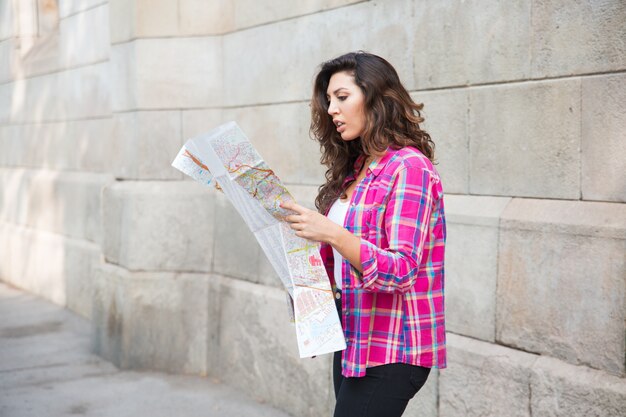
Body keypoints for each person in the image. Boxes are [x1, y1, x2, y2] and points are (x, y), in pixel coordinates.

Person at [281, 51, 446, 417]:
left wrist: (331, 232)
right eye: (328, 101)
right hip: (352, 335)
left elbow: (402, 268)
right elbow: (338, 260)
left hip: (393, 346)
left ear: (376, 97)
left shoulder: (410, 167)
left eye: (342, 97)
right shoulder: (357, 169)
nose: (331, 110)